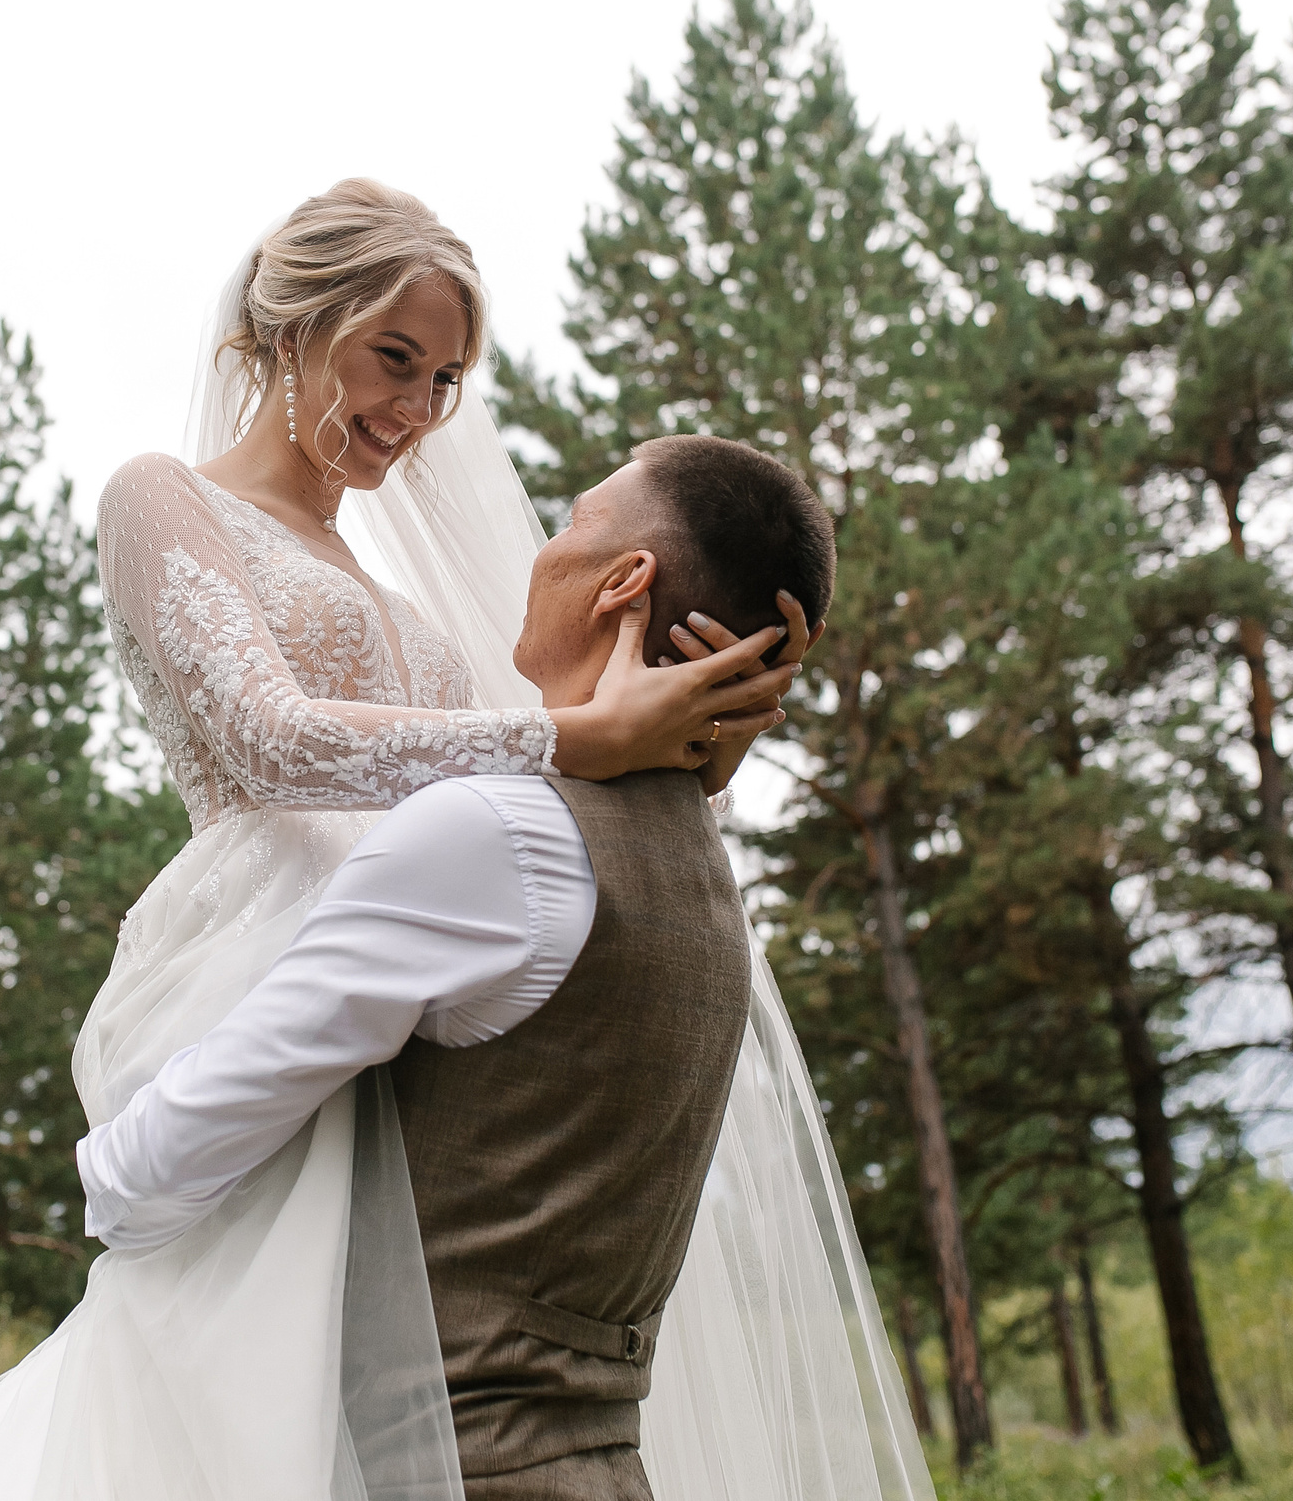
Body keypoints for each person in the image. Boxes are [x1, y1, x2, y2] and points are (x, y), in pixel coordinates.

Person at [0, 181, 928, 1501]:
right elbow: (271, 739)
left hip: (408, 1005)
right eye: (393, 357)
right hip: (251, 961)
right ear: (291, 325)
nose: (416, 409)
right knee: (218, 1386)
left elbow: (547, 828)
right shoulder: (162, 499)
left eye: (445, 379)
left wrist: (699, 742)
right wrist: (572, 736)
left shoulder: (400, 597)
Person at [81, 436, 852, 1500]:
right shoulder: (701, 875)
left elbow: (142, 1180)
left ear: (623, 581)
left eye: (574, 523)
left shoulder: (486, 836)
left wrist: (107, 1141)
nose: (541, 548)